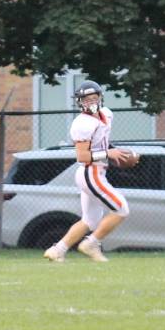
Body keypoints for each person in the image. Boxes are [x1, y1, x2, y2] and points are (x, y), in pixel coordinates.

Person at [43, 81, 138, 263]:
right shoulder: (82, 123)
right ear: (79, 102)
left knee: (90, 220)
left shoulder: (107, 114)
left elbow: (102, 144)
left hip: (96, 171)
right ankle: (91, 243)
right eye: (86, 99)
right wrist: (109, 153)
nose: (91, 102)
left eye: (94, 98)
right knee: (121, 209)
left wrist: (118, 153)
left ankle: (57, 251)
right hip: (90, 172)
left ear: (101, 97)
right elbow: (82, 156)